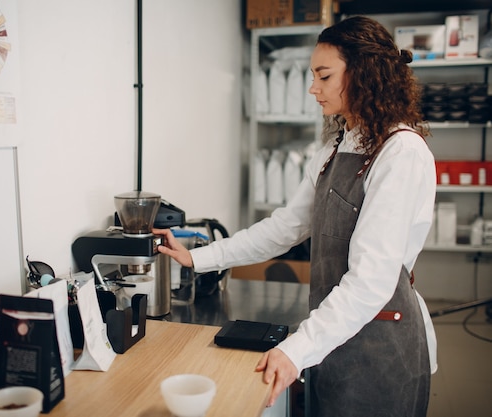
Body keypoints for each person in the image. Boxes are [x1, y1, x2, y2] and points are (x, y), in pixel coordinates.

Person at [154, 15, 438, 417]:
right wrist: (199, 257)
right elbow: (286, 227)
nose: (312, 88)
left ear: (364, 74)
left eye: (324, 76)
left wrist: (297, 348)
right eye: (312, 76)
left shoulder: (401, 153)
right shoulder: (334, 150)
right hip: (332, 333)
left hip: (381, 343)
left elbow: (371, 279)